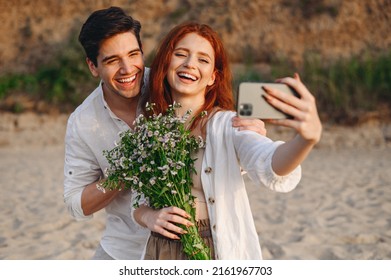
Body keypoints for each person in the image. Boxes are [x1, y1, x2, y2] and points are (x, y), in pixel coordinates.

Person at [63, 7, 267, 260]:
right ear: (93, 66)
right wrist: (127, 169)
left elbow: (214, 129)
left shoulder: (169, 82)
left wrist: (247, 130)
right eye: (112, 60)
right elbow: (75, 203)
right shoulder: (82, 122)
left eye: (133, 54)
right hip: (123, 249)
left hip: (186, 244)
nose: (128, 69)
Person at [132, 22, 322, 260]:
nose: (190, 63)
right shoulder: (150, 125)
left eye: (203, 59)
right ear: (165, 63)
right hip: (159, 249)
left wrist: (306, 140)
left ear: (213, 77)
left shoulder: (229, 125)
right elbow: (137, 200)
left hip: (212, 247)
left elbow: (268, 161)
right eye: (180, 54)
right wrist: (149, 216)